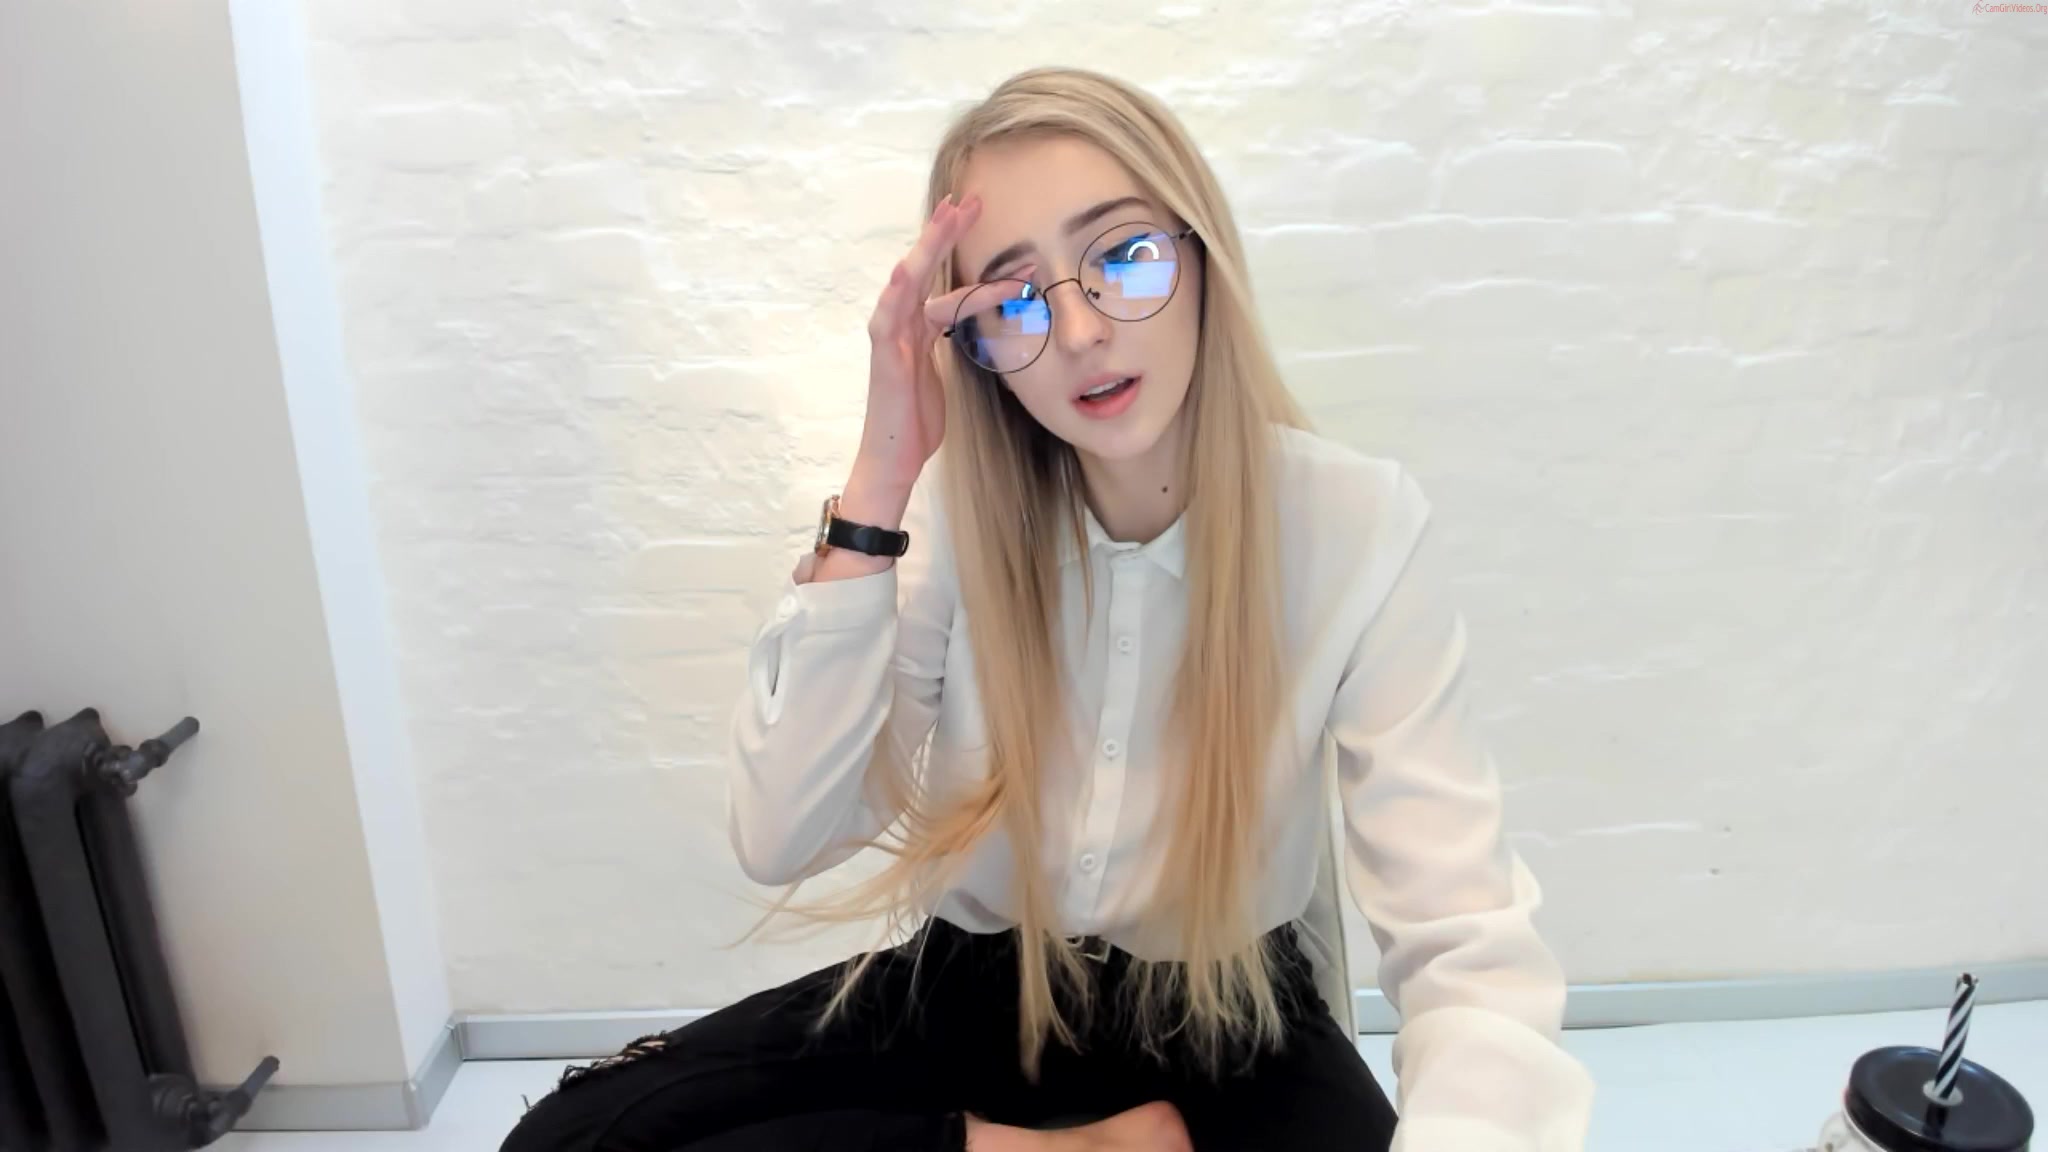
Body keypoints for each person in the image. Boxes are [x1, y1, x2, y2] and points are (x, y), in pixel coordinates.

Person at [503, 66, 1595, 1152]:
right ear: (976, 348)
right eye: (1015, 298)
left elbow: (1462, 936)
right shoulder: (950, 518)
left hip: (1230, 1022)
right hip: (974, 991)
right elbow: (783, 835)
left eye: (1122, 255)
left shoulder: (1353, 526)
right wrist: (881, 478)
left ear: (1203, 257)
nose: (1076, 332)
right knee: (568, 1142)